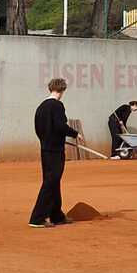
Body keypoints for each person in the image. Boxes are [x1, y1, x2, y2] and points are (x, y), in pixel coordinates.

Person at [29, 78, 79, 227]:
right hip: (55, 150)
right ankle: (37, 218)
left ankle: (56, 215)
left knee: (53, 181)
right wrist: (75, 134)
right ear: (63, 90)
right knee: (50, 182)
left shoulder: (41, 107)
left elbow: (38, 128)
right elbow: (60, 126)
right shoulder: (57, 105)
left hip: (46, 148)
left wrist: (46, 140)